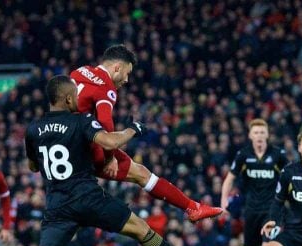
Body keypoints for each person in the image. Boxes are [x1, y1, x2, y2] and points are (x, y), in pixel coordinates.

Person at [0, 75, 215, 246]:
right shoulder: (80, 120)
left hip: (57, 205)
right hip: (87, 197)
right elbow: (109, 142)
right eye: (75, 95)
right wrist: (133, 129)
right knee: (141, 228)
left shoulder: (33, 129)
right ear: (68, 98)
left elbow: (32, 165)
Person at [70, 44, 222, 222]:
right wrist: (109, 158)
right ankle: (192, 208)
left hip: (61, 141)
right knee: (141, 177)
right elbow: (106, 124)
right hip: (84, 148)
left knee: (65, 214)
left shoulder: (79, 72)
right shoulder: (106, 87)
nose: (126, 79)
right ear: (117, 67)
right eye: (127, 73)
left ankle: (193, 207)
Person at [220, 119, 288, 246]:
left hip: (271, 210)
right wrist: (223, 202)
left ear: (267, 135)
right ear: (250, 135)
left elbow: (290, 177)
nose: (259, 135)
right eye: (256, 132)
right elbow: (229, 179)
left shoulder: (278, 154)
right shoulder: (244, 155)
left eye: (262, 132)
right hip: (250, 210)